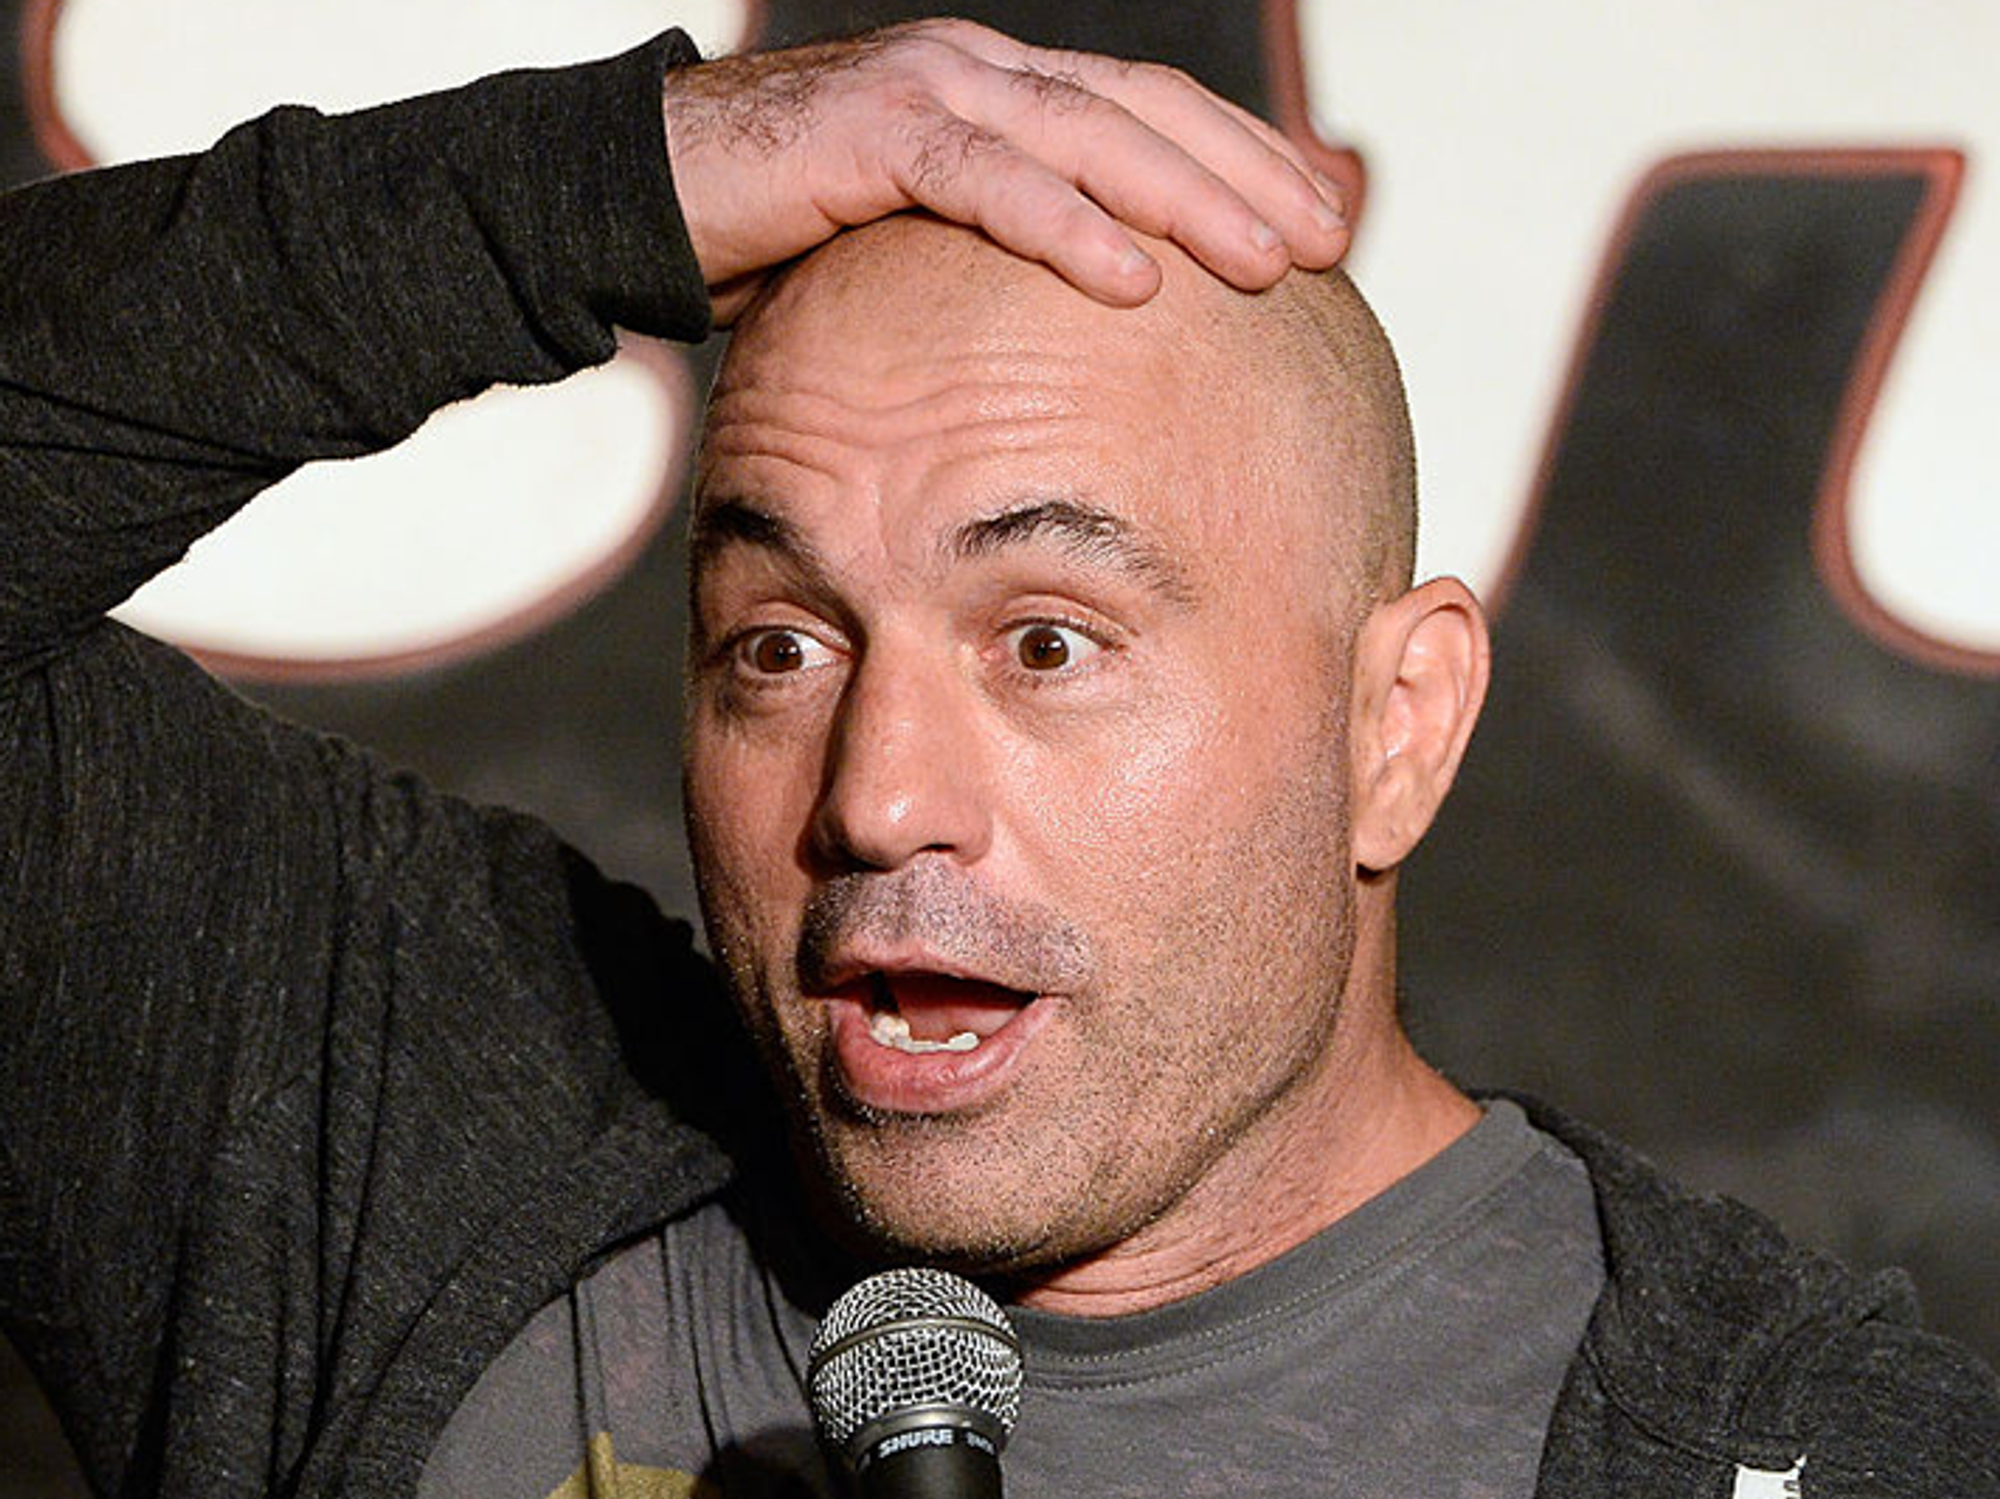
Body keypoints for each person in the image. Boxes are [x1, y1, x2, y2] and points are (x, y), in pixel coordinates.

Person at [0, 17, 1992, 1499]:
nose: (877, 797)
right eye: (780, 645)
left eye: (1046, 640)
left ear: (1396, 727)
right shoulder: (392, 1125)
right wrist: (595, 182)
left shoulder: (1808, 1447)